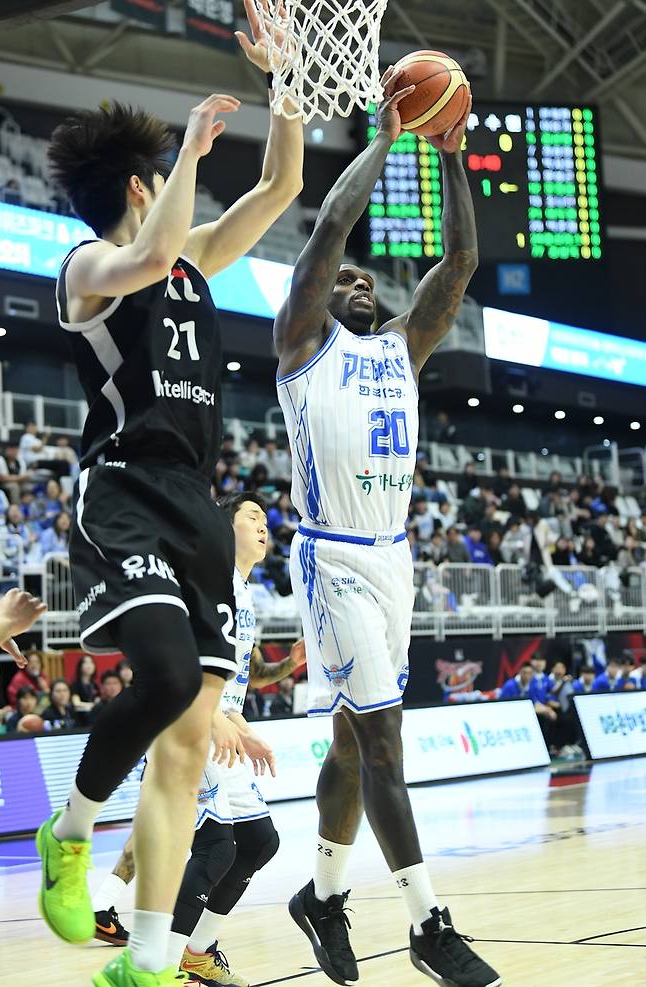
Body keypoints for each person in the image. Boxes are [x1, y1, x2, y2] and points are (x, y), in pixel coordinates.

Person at [36, 9, 304, 982]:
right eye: (168, 183)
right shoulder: (87, 271)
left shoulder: (196, 261)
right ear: (144, 188)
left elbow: (281, 184)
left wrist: (284, 85)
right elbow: (145, 257)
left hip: (194, 499)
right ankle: (67, 834)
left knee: (186, 749)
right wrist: (192, 141)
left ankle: (146, 959)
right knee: (161, 684)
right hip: (123, 489)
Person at [274, 67, 499, 987]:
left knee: (347, 744)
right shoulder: (301, 344)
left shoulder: (401, 350)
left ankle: (320, 897)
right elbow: (330, 228)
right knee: (384, 746)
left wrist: (449, 157)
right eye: (348, 280)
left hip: (394, 559)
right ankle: (427, 921)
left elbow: (459, 268)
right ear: (324, 297)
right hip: (331, 558)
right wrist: (392, 133)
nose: (360, 279)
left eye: (372, 279)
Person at [91, 493, 307, 987]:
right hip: (185, 721)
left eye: (264, 519)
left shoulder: (247, 593)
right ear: (220, 525)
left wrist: (245, 723)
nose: (263, 524)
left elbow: (236, 680)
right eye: (250, 516)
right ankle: (155, 965)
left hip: (218, 724)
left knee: (258, 841)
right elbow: (177, 659)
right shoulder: (206, 578)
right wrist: (213, 716)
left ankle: (197, 951)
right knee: (215, 847)